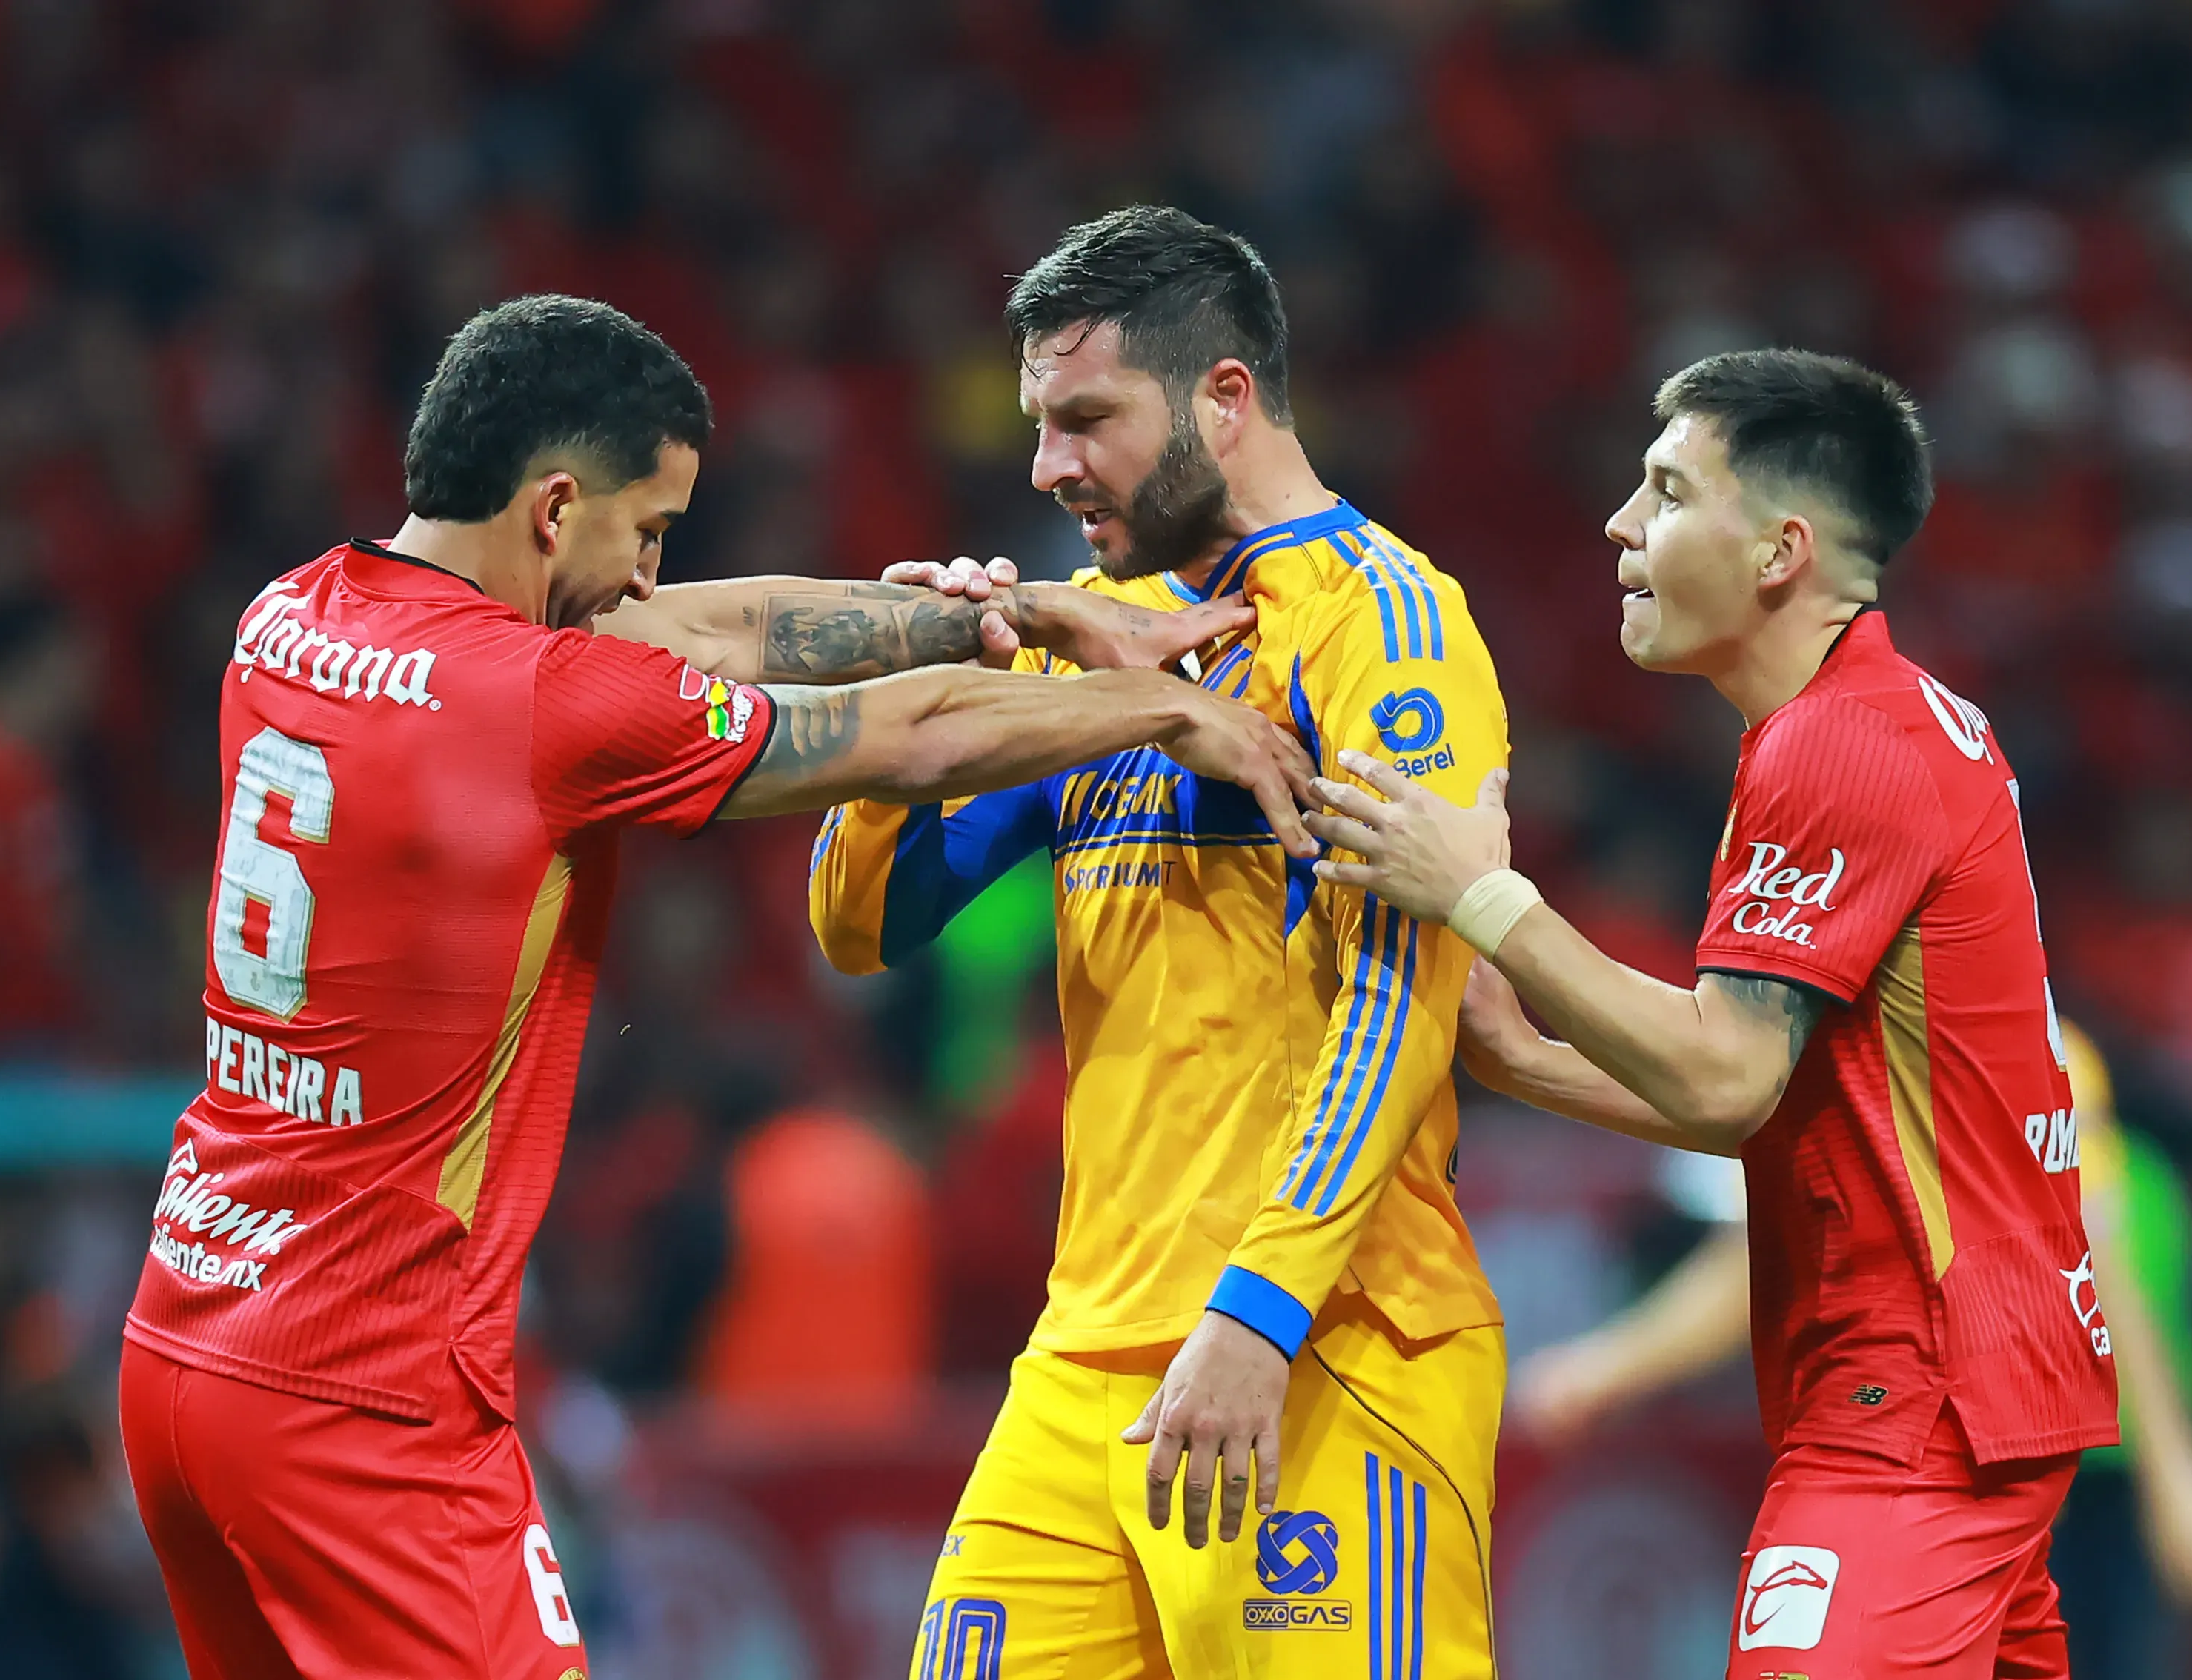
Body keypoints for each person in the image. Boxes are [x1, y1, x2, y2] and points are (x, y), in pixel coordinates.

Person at [115, 293, 1315, 1680]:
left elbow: (717, 626)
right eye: (648, 531)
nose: (648, 579)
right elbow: (906, 747)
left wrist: (1031, 612)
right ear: (555, 508)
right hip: (365, 1395)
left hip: (185, 1350)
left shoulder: (288, 617)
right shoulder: (543, 700)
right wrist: (1168, 709)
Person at [1306, 348, 2120, 1678]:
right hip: (1969, 1374)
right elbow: (1799, 1105)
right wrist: (1518, 1054)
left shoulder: (1835, 749)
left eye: (1668, 490)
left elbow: (1732, 1077)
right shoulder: (1885, 720)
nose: (1622, 524)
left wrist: (1484, 896)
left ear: (1779, 552)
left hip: (1913, 1396)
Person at [810, 207, 1510, 1678]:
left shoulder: (1383, 622)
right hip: (1086, 1356)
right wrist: (936, 665)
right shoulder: (1107, 638)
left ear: (1225, 398)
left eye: (1085, 419)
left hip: (1322, 1345)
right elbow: (859, 920)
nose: (1046, 466)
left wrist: (1253, 1318)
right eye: (1037, 426)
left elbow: (1395, 1005)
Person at [1492, 1015, 2192, 1677]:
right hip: (1923, 1453)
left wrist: (2174, 1473)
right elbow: (1749, 1255)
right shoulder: (1812, 1037)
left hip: (2049, 1472)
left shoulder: (1992, 1034)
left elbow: (2093, 1253)